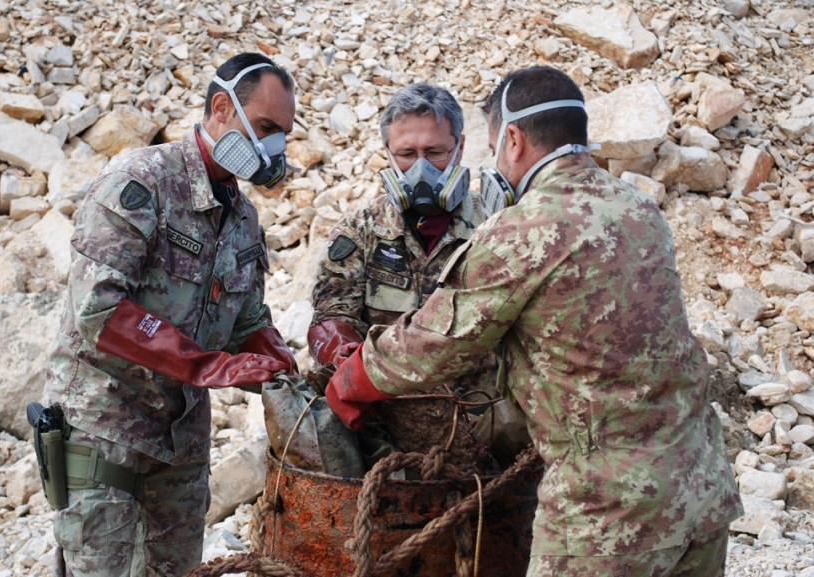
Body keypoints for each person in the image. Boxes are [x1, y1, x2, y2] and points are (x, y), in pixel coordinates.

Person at [325, 66, 743, 576]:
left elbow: (435, 343)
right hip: (699, 486)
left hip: (608, 512)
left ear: (514, 139)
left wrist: (350, 380)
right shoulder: (638, 207)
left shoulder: (524, 227)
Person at [42, 52, 299, 576]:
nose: (274, 148)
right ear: (222, 108)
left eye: (283, 135)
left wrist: (284, 366)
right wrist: (206, 365)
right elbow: (98, 307)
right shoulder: (141, 182)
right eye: (267, 128)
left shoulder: (244, 218)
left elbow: (249, 322)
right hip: (104, 432)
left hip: (180, 444)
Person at [307, 83, 495, 467]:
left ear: (459, 147)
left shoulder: (496, 229)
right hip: (384, 439)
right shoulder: (361, 230)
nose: (421, 167)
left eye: (435, 152)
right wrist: (339, 349)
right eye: (407, 154)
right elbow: (330, 313)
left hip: (482, 433)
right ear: (388, 156)